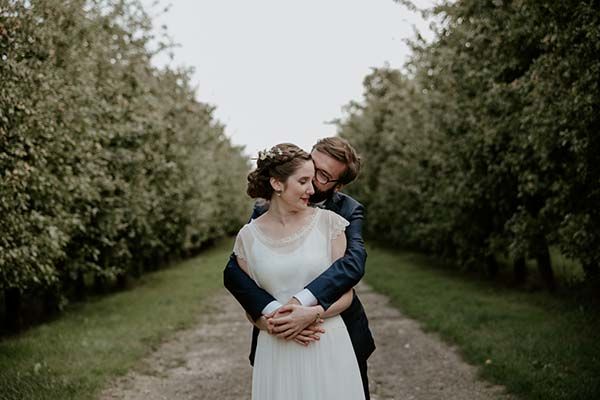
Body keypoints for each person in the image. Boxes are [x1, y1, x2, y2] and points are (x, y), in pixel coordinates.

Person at [224, 138, 375, 399]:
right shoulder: (263, 210)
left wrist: (304, 307)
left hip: (335, 333)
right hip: (277, 335)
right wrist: (273, 317)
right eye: (312, 166)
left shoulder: (343, 213)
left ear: (337, 186)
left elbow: (351, 266)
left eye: (324, 176)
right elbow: (236, 271)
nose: (313, 180)